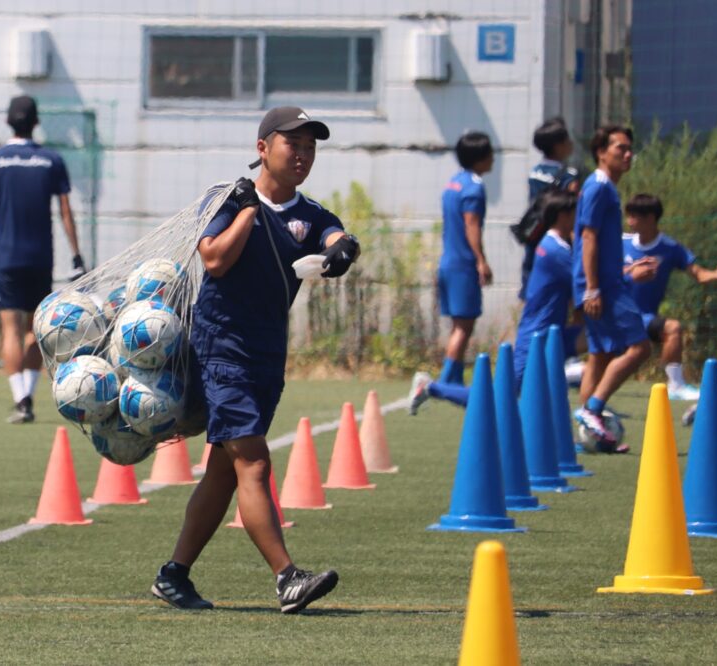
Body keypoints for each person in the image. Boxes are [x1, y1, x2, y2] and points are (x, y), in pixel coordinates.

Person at [151, 107, 359, 614]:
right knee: (254, 462)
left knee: (223, 473)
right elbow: (215, 259)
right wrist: (247, 210)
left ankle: (173, 575)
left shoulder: (310, 214)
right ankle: (288, 578)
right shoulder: (228, 198)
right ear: (263, 147)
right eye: (293, 143)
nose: (304, 154)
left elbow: (336, 238)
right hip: (222, 347)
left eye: (311, 146)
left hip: (267, 352)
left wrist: (343, 250)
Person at [411, 191, 583, 410]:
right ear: (562, 216)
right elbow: (584, 279)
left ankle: (588, 410)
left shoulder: (559, 246)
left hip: (551, 333)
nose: (578, 219)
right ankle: (431, 387)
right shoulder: (553, 249)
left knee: (600, 340)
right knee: (496, 397)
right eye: (575, 213)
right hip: (536, 337)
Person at [0, 95, 85, 424]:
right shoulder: (51, 160)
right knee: (37, 328)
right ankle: (30, 395)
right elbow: (65, 211)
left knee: (10, 328)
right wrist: (76, 254)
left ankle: (20, 398)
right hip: (40, 257)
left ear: (8, 122)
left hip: (6, 257)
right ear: (35, 123)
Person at [572, 125, 650, 452]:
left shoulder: (605, 188)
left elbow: (600, 243)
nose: (628, 154)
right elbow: (588, 237)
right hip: (602, 287)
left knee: (601, 355)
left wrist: (628, 270)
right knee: (640, 348)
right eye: (620, 148)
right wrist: (592, 288)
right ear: (602, 152)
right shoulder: (599, 187)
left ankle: (585, 435)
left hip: (605, 281)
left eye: (630, 149)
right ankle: (592, 410)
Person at [622, 193, 717, 400]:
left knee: (673, 328)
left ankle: (675, 386)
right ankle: (563, 370)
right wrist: (630, 272)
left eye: (633, 217)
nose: (628, 222)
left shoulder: (670, 248)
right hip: (615, 315)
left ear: (650, 218)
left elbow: (699, 274)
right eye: (628, 216)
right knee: (592, 361)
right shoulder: (620, 242)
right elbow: (603, 276)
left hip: (645, 318)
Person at [409, 132, 493, 406]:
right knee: (464, 326)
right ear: (480, 157)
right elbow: (471, 224)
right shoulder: (474, 187)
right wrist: (481, 259)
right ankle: (443, 382)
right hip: (462, 264)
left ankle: (452, 381)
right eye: (490, 153)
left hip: (448, 261)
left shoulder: (452, 184)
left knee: (460, 323)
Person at [520, 117, 580, 298]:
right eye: (567, 140)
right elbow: (573, 209)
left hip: (536, 233)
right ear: (558, 145)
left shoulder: (535, 172)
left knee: (531, 283)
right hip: (558, 235)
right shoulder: (569, 176)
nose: (571, 143)